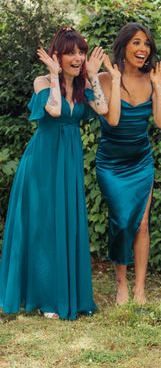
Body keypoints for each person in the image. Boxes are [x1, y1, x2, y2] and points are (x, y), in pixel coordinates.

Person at [0, 27, 112, 320]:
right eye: (70, 53)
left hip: (69, 162)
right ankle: (45, 297)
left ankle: (63, 293)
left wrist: (92, 76)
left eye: (80, 52)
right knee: (42, 226)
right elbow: (53, 110)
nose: (77, 58)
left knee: (65, 222)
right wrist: (53, 76)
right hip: (41, 164)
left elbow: (103, 107)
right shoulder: (41, 82)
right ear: (57, 56)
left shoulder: (82, 88)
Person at [96, 23, 161, 305]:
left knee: (141, 223)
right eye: (137, 43)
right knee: (121, 222)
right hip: (111, 164)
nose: (143, 49)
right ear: (124, 46)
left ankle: (139, 288)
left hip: (141, 160)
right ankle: (121, 285)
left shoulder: (151, 79)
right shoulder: (104, 78)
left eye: (147, 44)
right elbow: (110, 120)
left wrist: (159, 88)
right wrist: (114, 81)